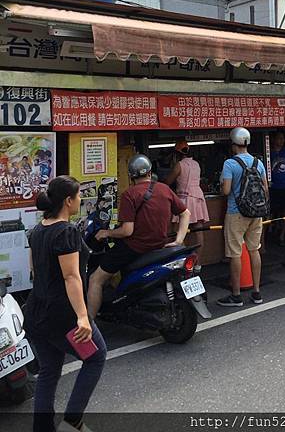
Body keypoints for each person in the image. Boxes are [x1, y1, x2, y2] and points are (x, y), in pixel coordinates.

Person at [24, 176, 107, 432]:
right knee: (96, 356)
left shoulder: (38, 230)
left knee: (49, 371)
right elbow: (71, 276)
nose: (80, 199)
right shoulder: (66, 231)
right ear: (69, 200)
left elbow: (34, 271)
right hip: (63, 315)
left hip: (37, 312)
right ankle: (73, 421)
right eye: (79, 195)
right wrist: (82, 316)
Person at [87, 154, 191, 319]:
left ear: (131, 176)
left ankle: (90, 325)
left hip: (133, 248)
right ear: (150, 172)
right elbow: (186, 213)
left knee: (95, 279)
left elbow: (127, 231)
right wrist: (178, 240)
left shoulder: (130, 195)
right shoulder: (164, 189)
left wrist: (107, 233)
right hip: (158, 247)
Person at [217, 127, 268, 307]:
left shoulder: (230, 164)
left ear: (233, 144)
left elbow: (226, 191)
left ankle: (236, 295)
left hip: (236, 212)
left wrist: (222, 183)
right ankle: (256, 292)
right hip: (256, 212)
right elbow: (265, 189)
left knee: (235, 253)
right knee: (254, 250)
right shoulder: (258, 162)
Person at [165, 140, 210, 257]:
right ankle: (198, 263)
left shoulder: (179, 165)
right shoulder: (196, 164)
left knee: (177, 230)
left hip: (184, 198)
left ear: (176, 153)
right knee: (199, 231)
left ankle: (185, 260)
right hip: (198, 198)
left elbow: (168, 182)